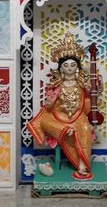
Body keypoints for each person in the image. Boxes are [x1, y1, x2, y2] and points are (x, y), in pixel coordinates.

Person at [27, 32, 102, 180]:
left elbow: (90, 100)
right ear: (61, 67)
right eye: (66, 65)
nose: (69, 68)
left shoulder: (82, 83)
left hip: (78, 117)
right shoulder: (56, 84)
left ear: (78, 67)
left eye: (73, 65)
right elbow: (48, 108)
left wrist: (97, 88)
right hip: (58, 119)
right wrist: (50, 101)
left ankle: (83, 165)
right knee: (45, 122)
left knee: (86, 128)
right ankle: (65, 131)